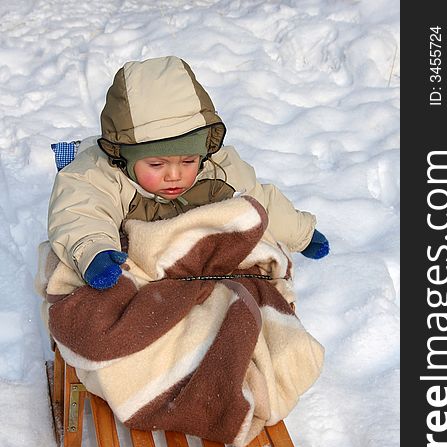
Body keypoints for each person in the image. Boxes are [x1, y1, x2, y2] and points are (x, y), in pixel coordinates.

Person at [48, 56, 329, 289]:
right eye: (156, 165)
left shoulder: (219, 170)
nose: (174, 175)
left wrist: (301, 233)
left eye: (187, 161)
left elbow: (258, 203)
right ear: (123, 156)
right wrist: (93, 251)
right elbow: (80, 210)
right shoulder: (100, 174)